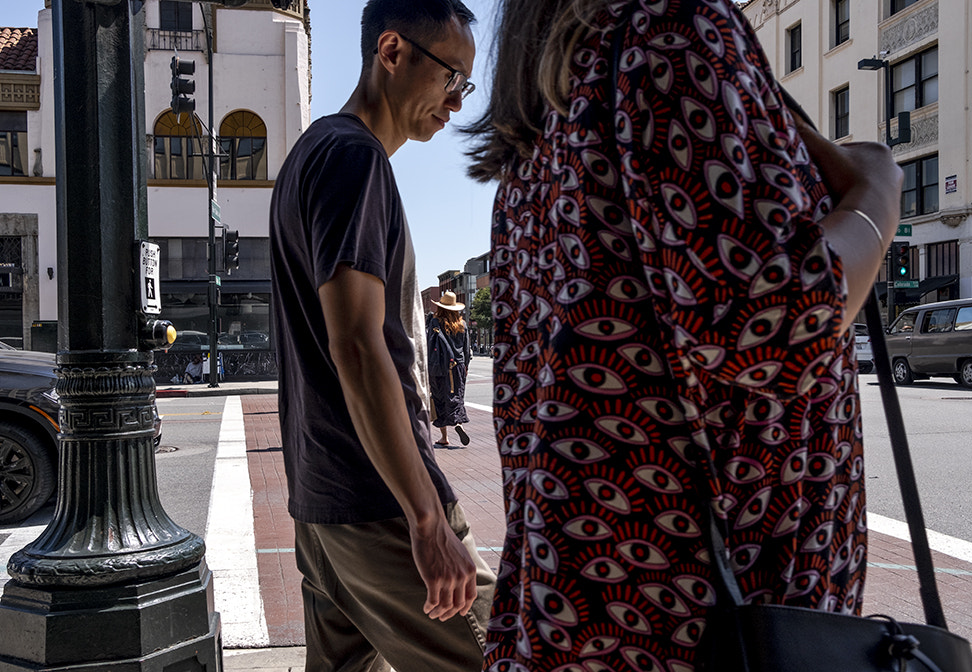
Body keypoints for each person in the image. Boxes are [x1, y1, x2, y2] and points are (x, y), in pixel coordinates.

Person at [464, 0, 902, 669]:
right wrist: (878, 193)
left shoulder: (547, 113)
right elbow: (781, 322)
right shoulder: (669, 27)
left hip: (590, 607)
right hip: (715, 617)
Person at [269, 2, 494, 670]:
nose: (456, 104)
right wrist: (426, 519)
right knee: (503, 655)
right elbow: (359, 346)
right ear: (391, 51)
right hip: (379, 506)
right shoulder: (353, 159)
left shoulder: (312, 154)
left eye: (466, 88)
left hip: (324, 502)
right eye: (451, 78)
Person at [428, 291, 472, 447]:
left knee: (439, 398)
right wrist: (465, 365)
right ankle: (458, 423)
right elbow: (467, 349)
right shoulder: (462, 324)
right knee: (456, 396)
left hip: (439, 366)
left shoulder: (435, 322)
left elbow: (429, 346)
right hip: (458, 366)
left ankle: (444, 437)